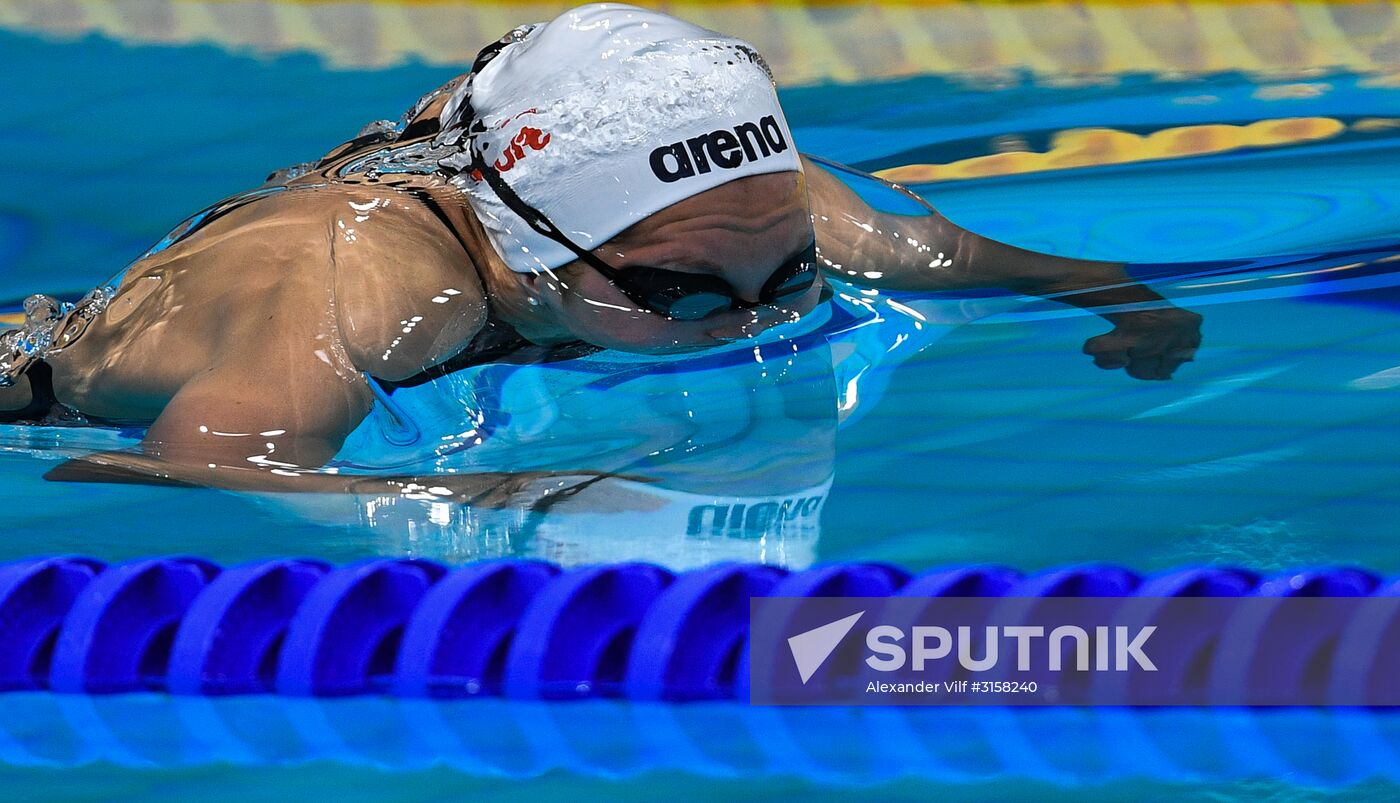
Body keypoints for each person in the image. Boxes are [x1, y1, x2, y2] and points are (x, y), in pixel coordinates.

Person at [0, 3, 1200, 498]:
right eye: (677, 295)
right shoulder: (350, 286)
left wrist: (1125, 306)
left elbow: (965, 256)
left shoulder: (751, 211)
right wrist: (455, 496)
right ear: (525, 252)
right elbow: (181, 470)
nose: (753, 322)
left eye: (787, 280)